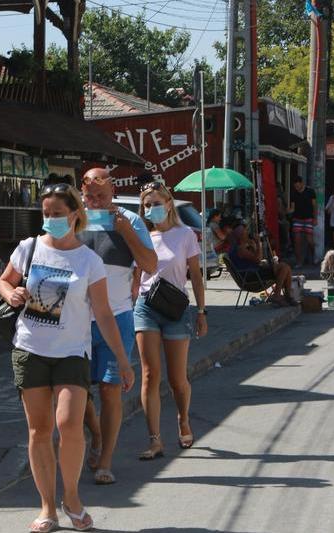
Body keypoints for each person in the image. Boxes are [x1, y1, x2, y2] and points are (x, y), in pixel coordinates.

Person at [0, 179, 135, 533]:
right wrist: (11, 294)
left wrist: (123, 360)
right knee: (39, 430)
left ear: (75, 214)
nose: (51, 219)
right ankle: (47, 507)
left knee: (69, 425)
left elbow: (103, 314)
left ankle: (71, 497)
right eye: (46, 213)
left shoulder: (89, 260)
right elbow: (4, 281)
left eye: (57, 213)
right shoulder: (29, 248)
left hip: (72, 352)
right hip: (30, 349)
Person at [78, 167, 157, 485]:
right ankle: (96, 434)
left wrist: (125, 231)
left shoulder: (130, 220)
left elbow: (150, 264)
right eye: (90, 196)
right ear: (82, 193)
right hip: (77, 321)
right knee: (78, 391)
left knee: (110, 391)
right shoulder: (73, 219)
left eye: (102, 195)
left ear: (113, 191)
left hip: (118, 317)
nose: (96, 201)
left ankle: (105, 461)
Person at [133, 181, 207, 461]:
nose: (151, 208)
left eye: (156, 203)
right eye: (147, 204)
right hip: (146, 307)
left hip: (176, 309)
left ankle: (183, 419)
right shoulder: (142, 237)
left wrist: (202, 311)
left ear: (168, 204)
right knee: (150, 375)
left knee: (177, 379)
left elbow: (196, 275)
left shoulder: (185, 234)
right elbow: (135, 277)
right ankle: (154, 440)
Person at [229, 225, 295, 306]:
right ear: (241, 236)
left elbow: (255, 260)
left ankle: (287, 296)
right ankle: (278, 295)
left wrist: (253, 246)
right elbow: (258, 259)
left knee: (286, 267)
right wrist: (258, 244)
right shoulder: (241, 249)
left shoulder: (239, 247)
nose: (248, 234)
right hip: (252, 276)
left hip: (252, 273)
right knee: (284, 267)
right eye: (246, 233)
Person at [288, 176, 318, 268]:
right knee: (297, 242)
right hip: (297, 219)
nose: (297, 188)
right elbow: (292, 208)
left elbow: (314, 206)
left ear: (302, 183)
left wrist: (315, 218)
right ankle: (299, 262)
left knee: (310, 241)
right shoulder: (294, 193)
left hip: (308, 218)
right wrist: (286, 211)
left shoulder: (310, 191)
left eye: (298, 186)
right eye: (295, 186)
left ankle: (314, 256)